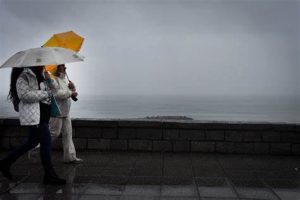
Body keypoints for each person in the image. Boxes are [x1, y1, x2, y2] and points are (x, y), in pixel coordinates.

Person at [0, 66, 66, 185]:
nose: (43, 65)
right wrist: (45, 93)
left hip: (44, 115)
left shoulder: (41, 76)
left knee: (31, 142)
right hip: (35, 116)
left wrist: (50, 80)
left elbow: (54, 91)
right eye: (40, 62)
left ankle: (5, 163)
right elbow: (24, 95)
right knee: (46, 142)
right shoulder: (24, 76)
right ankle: (49, 174)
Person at [49, 64, 83, 163]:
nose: (65, 68)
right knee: (53, 134)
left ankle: (70, 158)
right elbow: (57, 94)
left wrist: (73, 88)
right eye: (63, 66)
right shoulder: (52, 79)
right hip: (57, 111)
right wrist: (70, 93)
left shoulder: (64, 79)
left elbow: (68, 93)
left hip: (66, 111)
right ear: (57, 67)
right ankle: (35, 149)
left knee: (68, 134)